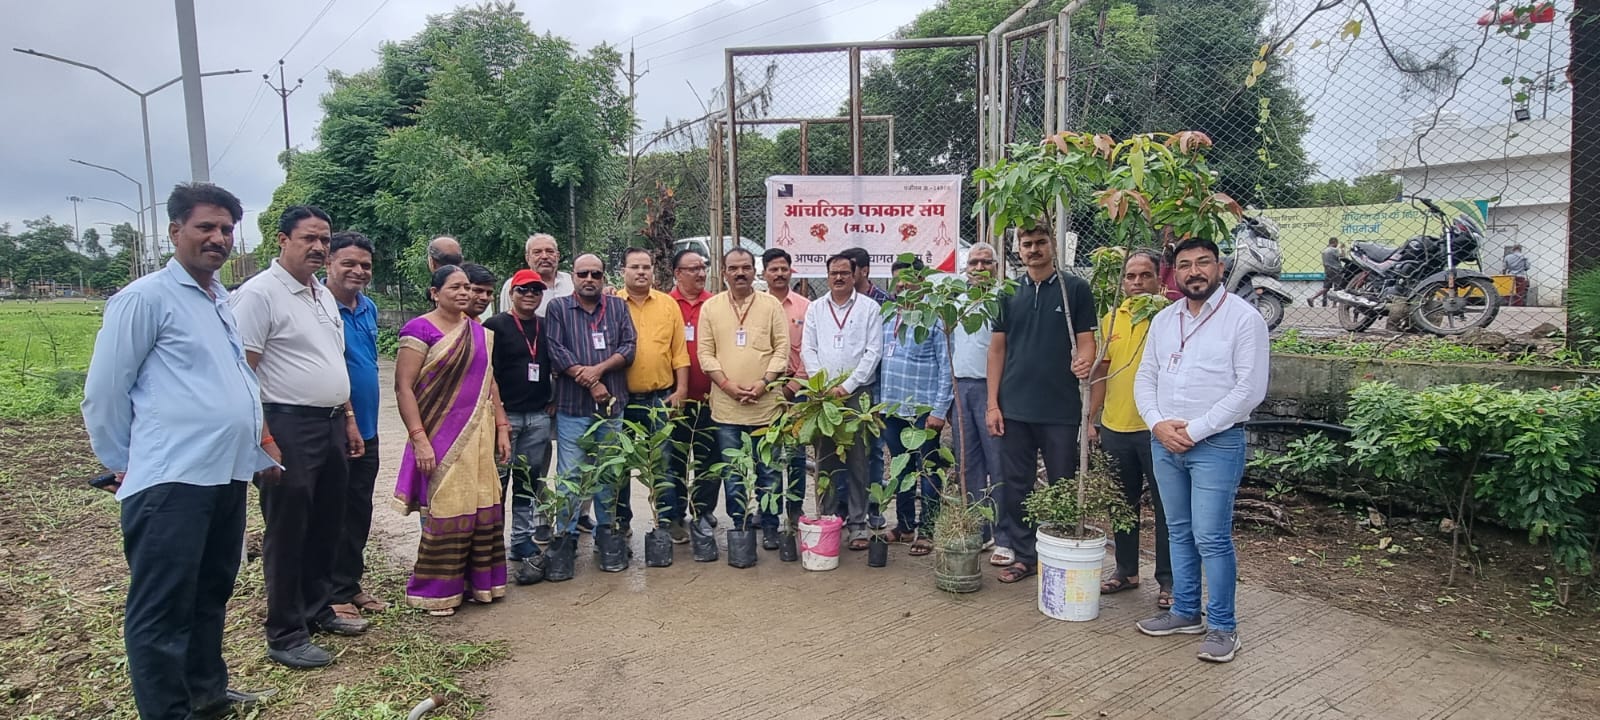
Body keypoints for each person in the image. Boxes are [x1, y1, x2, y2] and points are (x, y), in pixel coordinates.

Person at [82, 183, 276, 720]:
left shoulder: (217, 299)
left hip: (225, 473)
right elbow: (104, 392)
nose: (218, 239)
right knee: (163, 608)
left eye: (226, 230)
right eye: (206, 227)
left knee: (211, 590)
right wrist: (125, 462)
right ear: (175, 232)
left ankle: (207, 694)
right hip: (172, 479)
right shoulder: (145, 298)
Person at [231, 205, 368, 669]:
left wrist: (347, 416)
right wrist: (263, 438)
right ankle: (286, 632)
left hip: (329, 421)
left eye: (324, 239)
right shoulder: (259, 295)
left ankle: (317, 608)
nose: (318, 247)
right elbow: (242, 374)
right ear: (282, 239)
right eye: (309, 238)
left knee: (328, 519)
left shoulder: (322, 295)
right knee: (288, 529)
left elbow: (333, 362)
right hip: (285, 423)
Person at [1133, 236, 1269, 664]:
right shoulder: (1164, 319)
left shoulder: (1244, 320)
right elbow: (1145, 377)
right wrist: (1156, 422)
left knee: (1211, 536)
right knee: (1178, 531)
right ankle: (1185, 612)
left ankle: (1224, 627)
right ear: (1174, 272)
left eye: (1203, 263)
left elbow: (1250, 390)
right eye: (1186, 264)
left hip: (1215, 444)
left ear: (1220, 267)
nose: (1194, 271)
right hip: (1164, 441)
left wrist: (1195, 429)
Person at [393, 265, 514, 615]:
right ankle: (435, 591)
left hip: (478, 433)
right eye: (455, 287)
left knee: (480, 505)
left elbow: (489, 382)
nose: (464, 293)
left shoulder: (477, 332)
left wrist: (502, 426)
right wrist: (418, 438)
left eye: (468, 288)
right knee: (447, 507)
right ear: (435, 292)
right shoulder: (419, 329)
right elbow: (403, 387)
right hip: (439, 434)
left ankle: (479, 584)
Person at [985, 223, 1097, 585]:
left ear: (1053, 245)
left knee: (1062, 483)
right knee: (1016, 485)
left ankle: (1060, 551)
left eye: (1040, 242)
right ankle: (1025, 556)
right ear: (1018, 249)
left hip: (1060, 410)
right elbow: (997, 349)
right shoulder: (1006, 293)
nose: (1033, 249)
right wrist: (992, 404)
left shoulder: (1074, 289)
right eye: (1027, 243)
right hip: (1014, 407)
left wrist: (1084, 361)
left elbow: (1086, 341)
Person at [1086, 249, 1172, 609]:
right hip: (1116, 427)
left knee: (1169, 509)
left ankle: (1170, 581)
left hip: (1157, 429)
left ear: (1160, 279)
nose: (1136, 283)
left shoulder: (1169, 317)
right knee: (1122, 504)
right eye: (1130, 277)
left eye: (1144, 276)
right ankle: (1126, 571)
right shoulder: (1110, 319)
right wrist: (1091, 420)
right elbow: (1102, 373)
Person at [699, 248, 790, 548]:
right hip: (727, 408)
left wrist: (764, 383)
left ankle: (771, 526)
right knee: (733, 473)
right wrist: (727, 385)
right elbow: (705, 355)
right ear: (723, 272)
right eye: (733, 268)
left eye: (746, 268)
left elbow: (782, 350)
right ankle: (739, 527)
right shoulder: (711, 308)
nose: (740, 273)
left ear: (756, 271)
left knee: (769, 471)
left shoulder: (771, 305)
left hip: (766, 407)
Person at [546, 254, 637, 541]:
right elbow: (556, 350)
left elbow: (629, 346)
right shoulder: (558, 308)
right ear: (572, 276)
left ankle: (607, 537)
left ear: (604, 278)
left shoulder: (618, 307)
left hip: (610, 407)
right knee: (570, 474)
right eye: (583, 273)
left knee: (608, 474)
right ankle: (566, 537)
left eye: (595, 274)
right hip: (573, 407)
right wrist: (588, 382)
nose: (589, 279)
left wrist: (597, 372)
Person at [325, 231, 390, 624]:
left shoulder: (367, 308)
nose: (358, 271)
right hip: (337, 426)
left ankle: (348, 584)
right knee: (331, 510)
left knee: (358, 509)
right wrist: (348, 417)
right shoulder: (319, 307)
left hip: (367, 427)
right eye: (348, 263)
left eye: (365, 264)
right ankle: (330, 593)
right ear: (329, 262)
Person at [801, 254, 884, 550]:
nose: (838, 278)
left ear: (855, 275)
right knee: (825, 459)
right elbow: (808, 349)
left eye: (844, 273)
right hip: (823, 396)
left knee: (859, 458)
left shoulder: (869, 308)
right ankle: (828, 519)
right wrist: (821, 385)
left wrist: (847, 385)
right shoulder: (815, 309)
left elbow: (873, 352)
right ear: (826, 275)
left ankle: (858, 523)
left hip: (858, 394)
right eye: (833, 273)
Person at [483, 269, 555, 584]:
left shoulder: (545, 326)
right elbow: (486, 372)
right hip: (506, 417)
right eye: (523, 290)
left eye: (535, 291)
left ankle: (521, 539)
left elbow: (555, 365)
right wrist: (496, 414)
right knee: (497, 481)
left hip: (538, 415)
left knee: (528, 480)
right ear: (511, 293)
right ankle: (491, 542)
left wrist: (553, 399)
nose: (529, 295)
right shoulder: (495, 326)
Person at [879, 258, 952, 557]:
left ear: (923, 282)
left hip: (923, 411)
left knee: (929, 470)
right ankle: (905, 525)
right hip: (892, 408)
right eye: (898, 280)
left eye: (909, 279)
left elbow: (947, 369)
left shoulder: (935, 319)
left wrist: (938, 410)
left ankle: (928, 530)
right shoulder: (888, 316)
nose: (902, 285)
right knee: (900, 468)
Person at [619, 248, 690, 540]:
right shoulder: (611, 304)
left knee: (664, 460)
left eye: (646, 266)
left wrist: (682, 389)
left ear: (653, 271)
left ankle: (669, 520)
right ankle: (620, 521)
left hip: (659, 397)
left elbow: (679, 352)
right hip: (620, 399)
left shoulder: (667, 305)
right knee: (620, 461)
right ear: (623, 271)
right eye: (634, 267)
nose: (641, 272)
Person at [950, 242, 1008, 562]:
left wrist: (995, 400)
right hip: (962, 388)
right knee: (968, 465)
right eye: (974, 263)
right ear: (966, 268)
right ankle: (977, 530)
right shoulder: (955, 303)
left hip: (992, 391)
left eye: (987, 263)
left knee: (997, 462)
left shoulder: (1004, 301)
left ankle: (1003, 536)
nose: (980, 268)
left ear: (996, 268)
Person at [668, 249, 720, 527]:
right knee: (675, 457)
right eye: (693, 269)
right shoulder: (665, 305)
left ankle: (704, 509)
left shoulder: (715, 304)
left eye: (703, 267)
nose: (701, 273)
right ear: (677, 274)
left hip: (710, 397)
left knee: (709, 457)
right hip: (674, 398)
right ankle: (676, 512)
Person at [841, 246, 890, 529]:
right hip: (844, 390)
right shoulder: (834, 304)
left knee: (872, 450)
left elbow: (879, 351)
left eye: (849, 270)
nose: (843, 276)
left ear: (863, 271)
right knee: (846, 448)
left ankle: (873, 507)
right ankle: (845, 506)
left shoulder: (883, 303)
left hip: (874, 390)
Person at [763, 247, 809, 526]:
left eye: (784, 268)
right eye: (773, 269)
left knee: (795, 453)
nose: (779, 274)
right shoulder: (756, 305)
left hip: (797, 389)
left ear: (792, 271)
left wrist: (792, 387)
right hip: (764, 390)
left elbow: (810, 351)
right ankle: (766, 510)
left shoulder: (806, 307)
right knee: (766, 452)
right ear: (764, 273)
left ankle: (794, 509)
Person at [498, 233, 575, 317]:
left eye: (550, 251)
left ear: (558, 256)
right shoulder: (513, 285)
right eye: (537, 252)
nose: (544, 256)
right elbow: (505, 320)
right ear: (527, 258)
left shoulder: (571, 281)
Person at [1307, 238, 1342, 307]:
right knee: (1337, 287)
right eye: (1337, 243)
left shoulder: (1324, 250)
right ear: (1334, 242)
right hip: (1336, 270)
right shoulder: (1334, 250)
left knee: (1326, 287)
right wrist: (1343, 249)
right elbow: (1342, 256)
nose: (1337, 245)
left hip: (1327, 270)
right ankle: (1334, 304)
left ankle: (1312, 298)